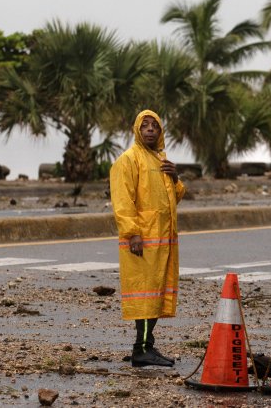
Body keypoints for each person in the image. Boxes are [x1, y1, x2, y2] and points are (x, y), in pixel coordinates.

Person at [110, 110, 186, 367]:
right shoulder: (129, 160)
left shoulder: (161, 160)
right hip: (143, 242)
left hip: (163, 242)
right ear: (137, 130)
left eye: (155, 126)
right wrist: (132, 235)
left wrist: (175, 177)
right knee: (144, 296)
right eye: (146, 126)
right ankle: (141, 350)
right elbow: (122, 201)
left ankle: (147, 346)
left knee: (155, 294)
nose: (151, 130)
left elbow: (172, 199)